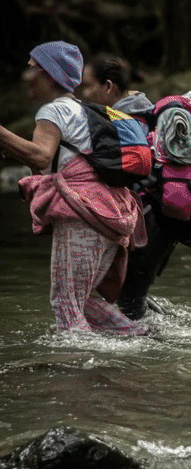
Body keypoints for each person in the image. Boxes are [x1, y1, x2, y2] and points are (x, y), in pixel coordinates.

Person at [0, 41, 147, 336]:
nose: (25, 76)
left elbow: (40, 156)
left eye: (31, 69)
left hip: (84, 213)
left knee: (65, 303)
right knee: (83, 301)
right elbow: (47, 166)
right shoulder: (79, 110)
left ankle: (75, 372)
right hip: (110, 213)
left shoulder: (52, 111)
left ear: (50, 74)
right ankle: (140, 338)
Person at [76, 54, 168, 320]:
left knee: (128, 305)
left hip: (150, 221)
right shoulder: (144, 111)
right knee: (131, 298)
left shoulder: (126, 121)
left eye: (88, 85)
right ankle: (174, 330)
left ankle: (161, 355)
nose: (84, 93)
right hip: (157, 221)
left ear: (108, 86)